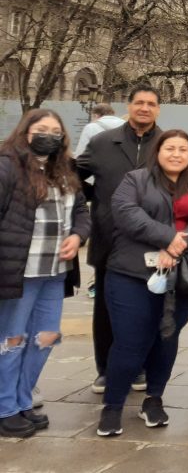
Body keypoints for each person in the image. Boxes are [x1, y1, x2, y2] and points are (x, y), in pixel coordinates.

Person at [96, 130, 188, 437]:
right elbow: (125, 213)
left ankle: (154, 398)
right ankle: (112, 406)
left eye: (183, 149)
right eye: (170, 148)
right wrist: (167, 238)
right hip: (131, 272)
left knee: (166, 338)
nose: (176, 154)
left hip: (181, 274)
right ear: (158, 151)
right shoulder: (135, 180)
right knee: (130, 342)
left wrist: (179, 245)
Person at [0, 110, 89, 438]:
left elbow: (80, 211)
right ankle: (5, 407)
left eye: (55, 130)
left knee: (44, 339)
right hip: (19, 272)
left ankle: (23, 400)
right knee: (11, 340)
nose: (48, 135)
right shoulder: (7, 165)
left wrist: (78, 235)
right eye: (41, 129)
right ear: (25, 132)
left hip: (54, 272)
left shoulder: (64, 169)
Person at [76, 83, 162, 395]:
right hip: (110, 237)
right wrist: (91, 203)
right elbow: (75, 176)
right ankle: (105, 368)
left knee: (149, 305)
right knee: (107, 309)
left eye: (151, 104)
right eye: (139, 102)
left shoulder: (166, 144)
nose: (144, 108)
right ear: (129, 106)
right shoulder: (102, 142)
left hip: (153, 240)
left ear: (158, 109)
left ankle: (139, 366)